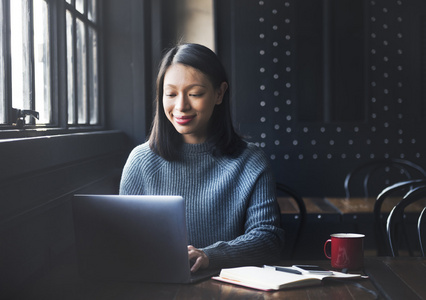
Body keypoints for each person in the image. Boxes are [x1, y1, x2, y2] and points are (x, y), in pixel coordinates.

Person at [119, 43, 285, 272]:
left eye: (195, 94)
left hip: (231, 289)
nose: (181, 106)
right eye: (171, 94)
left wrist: (210, 255)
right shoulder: (140, 161)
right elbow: (123, 242)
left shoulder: (250, 161)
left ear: (219, 93)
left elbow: (268, 239)